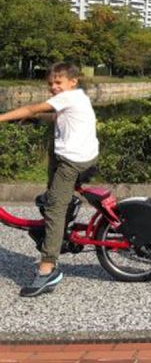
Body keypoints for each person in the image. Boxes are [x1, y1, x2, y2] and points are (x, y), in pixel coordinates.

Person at [0, 62, 99, 297]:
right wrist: (33, 120)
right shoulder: (77, 98)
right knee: (51, 197)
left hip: (72, 161)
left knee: (54, 208)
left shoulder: (69, 97)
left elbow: (33, 108)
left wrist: (2, 118)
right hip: (74, 155)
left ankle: (47, 270)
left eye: (58, 82)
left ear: (72, 82)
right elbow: (55, 117)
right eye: (50, 83)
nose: (53, 87)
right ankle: (59, 229)